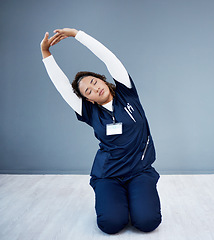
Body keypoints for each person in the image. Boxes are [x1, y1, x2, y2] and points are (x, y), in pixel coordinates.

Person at [40, 28, 161, 234]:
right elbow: (62, 86)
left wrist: (77, 34)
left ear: (103, 79)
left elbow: (108, 56)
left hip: (139, 172)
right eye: (89, 91)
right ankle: (116, 198)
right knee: (111, 224)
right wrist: (46, 54)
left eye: (95, 82)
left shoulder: (127, 94)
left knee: (148, 222)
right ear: (88, 99)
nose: (95, 89)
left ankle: (134, 198)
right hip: (109, 174)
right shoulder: (88, 111)